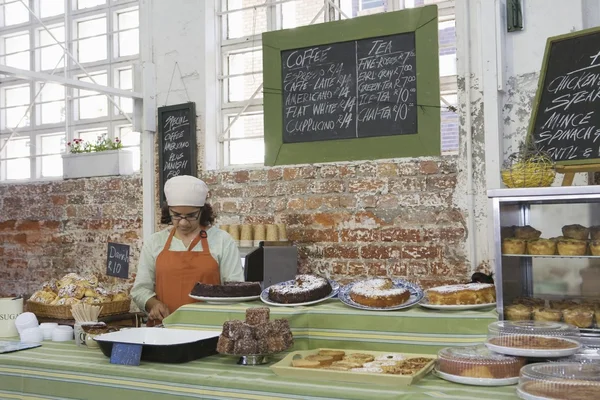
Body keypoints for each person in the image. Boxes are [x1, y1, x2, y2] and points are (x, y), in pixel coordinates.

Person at [131, 175, 244, 322]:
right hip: (165, 330)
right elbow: (140, 289)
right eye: (176, 215)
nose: (183, 223)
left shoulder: (222, 241)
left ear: (202, 211)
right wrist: (153, 304)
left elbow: (236, 290)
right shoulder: (155, 242)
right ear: (168, 210)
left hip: (210, 329)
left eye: (191, 216)